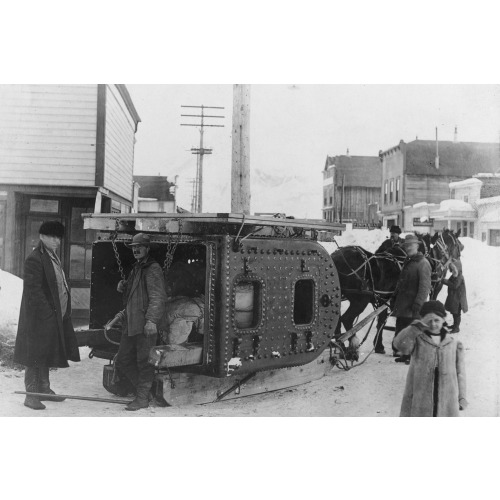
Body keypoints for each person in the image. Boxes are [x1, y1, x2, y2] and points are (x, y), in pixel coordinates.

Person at [13, 220, 80, 410]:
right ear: (42, 237)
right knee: (34, 355)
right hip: (38, 319)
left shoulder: (52, 256)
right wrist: (48, 314)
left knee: (46, 353)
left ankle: (44, 389)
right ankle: (31, 395)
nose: (57, 240)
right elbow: (34, 292)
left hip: (53, 317)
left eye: (58, 237)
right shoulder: (35, 258)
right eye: (52, 237)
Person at [112, 233, 167, 411]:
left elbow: (157, 298)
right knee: (122, 360)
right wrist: (124, 286)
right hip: (131, 324)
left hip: (144, 325)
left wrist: (151, 321)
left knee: (144, 362)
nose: (135, 249)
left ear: (148, 249)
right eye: (134, 247)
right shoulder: (137, 268)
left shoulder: (153, 269)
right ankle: (145, 393)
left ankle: (142, 398)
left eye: (140, 246)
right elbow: (136, 293)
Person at [393, 300, 467, 417]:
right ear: (424, 321)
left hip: (447, 399)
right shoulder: (417, 340)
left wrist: (462, 396)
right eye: (429, 320)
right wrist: (413, 328)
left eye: (436, 320)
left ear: (443, 320)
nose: (433, 324)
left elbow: (460, 373)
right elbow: (400, 346)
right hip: (420, 397)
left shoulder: (454, 344)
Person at [391, 233, 431, 363]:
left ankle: (413, 357)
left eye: (411, 245)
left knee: (412, 331)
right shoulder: (408, 261)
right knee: (403, 330)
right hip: (403, 304)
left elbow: (425, 287)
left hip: (413, 306)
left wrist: (419, 303)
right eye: (406, 245)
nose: (408, 248)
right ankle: (404, 354)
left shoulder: (423, 263)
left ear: (417, 246)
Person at [442, 259, 468, 333]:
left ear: (458, 269)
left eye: (453, 269)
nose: (452, 271)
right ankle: (455, 325)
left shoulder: (460, 277)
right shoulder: (454, 275)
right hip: (454, 298)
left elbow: (454, 285)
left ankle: (456, 328)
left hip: (458, 299)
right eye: (451, 269)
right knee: (454, 312)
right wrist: (444, 280)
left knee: (456, 314)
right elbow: (449, 281)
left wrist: (444, 281)